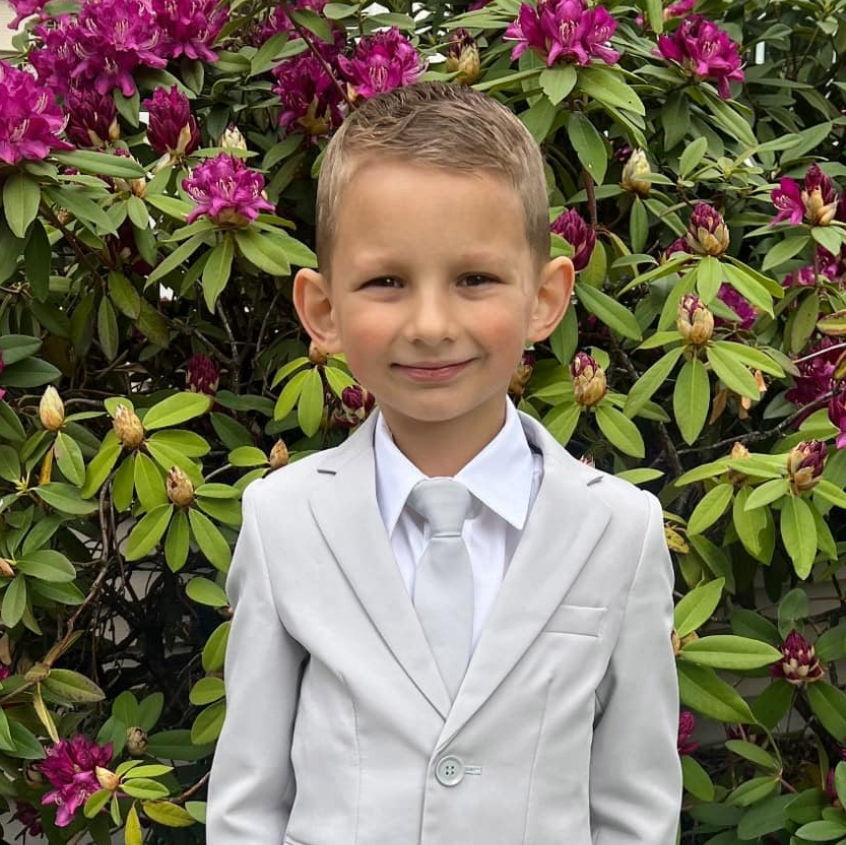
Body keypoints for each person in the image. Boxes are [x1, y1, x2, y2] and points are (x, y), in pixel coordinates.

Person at [206, 80, 682, 844]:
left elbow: (636, 809)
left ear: (545, 297)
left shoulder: (620, 532)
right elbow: (247, 804)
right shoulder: (283, 520)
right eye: (386, 282)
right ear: (323, 310)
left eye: (474, 279)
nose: (431, 324)